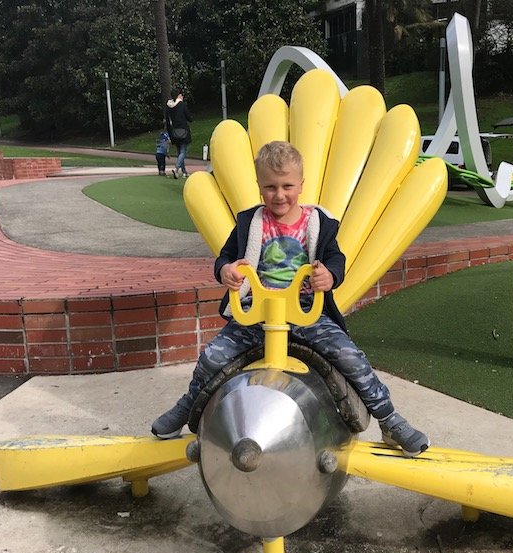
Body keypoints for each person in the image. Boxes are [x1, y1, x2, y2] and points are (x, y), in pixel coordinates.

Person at [151, 141, 430, 457]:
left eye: (287, 186)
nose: (279, 195)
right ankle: (186, 406)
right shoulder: (250, 222)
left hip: (306, 312)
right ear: (259, 186)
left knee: (349, 357)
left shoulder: (317, 223)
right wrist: (226, 269)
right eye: (270, 187)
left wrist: (330, 275)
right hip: (258, 314)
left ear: (301, 185)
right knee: (212, 357)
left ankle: (389, 418)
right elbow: (226, 257)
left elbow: (335, 258)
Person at [164, 89, 193, 179]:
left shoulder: (168, 107)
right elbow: (189, 118)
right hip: (183, 131)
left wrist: (170, 135)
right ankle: (176, 169)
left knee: (179, 151)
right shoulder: (182, 105)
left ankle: (184, 171)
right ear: (179, 96)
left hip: (174, 132)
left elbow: (168, 122)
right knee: (183, 151)